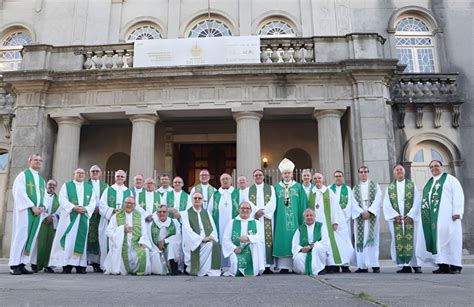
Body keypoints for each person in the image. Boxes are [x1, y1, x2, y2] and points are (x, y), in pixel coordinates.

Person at [416, 160, 465, 274]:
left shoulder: (451, 180)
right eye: (431, 167)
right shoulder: (429, 183)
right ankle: (443, 265)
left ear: (442, 167)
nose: (434, 168)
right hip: (434, 220)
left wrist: (457, 211)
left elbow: (458, 195)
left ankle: (455, 265)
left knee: (452, 240)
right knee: (438, 242)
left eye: (436, 166)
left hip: (449, 217)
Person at [49, 168, 97, 274]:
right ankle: (67, 265)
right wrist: (73, 207)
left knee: (81, 240)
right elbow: (62, 199)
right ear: (74, 174)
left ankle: (80, 265)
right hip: (69, 218)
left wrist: (85, 209)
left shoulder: (89, 187)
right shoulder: (67, 186)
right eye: (78, 173)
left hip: (83, 217)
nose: (80, 175)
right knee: (68, 240)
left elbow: (93, 201)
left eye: (82, 173)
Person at [9, 154, 46, 275]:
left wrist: (43, 207)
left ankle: (22, 263)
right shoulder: (23, 175)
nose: (38, 162)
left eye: (40, 160)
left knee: (31, 237)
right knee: (21, 236)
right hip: (25, 211)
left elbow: (44, 196)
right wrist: (32, 206)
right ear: (29, 161)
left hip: (37, 213)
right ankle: (14, 265)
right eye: (35, 160)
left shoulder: (41, 180)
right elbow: (19, 192)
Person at [309, 173, 354, 273]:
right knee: (320, 243)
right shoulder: (312, 193)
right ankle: (324, 265)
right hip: (317, 224)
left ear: (323, 179)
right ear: (313, 180)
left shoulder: (328, 192)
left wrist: (335, 221)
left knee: (331, 244)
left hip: (328, 223)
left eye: (319, 178)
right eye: (315, 178)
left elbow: (335, 207)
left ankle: (332, 264)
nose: (317, 180)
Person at [383, 164, 422, 273]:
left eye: (401, 169)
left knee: (413, 241)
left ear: (404, 172)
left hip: (410, 219)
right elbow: (386, 204)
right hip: (397, 220)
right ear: (394, 173)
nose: (399, 171)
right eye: (397, 170)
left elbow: (417, 201)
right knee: (398, 241)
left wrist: (411, 215)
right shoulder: (390, 188)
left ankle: (416, 265)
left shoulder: (411, 185)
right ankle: (405, 265)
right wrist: (395, 216)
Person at [273, 158, 307, 273]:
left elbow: (303, 204)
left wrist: (303, 220)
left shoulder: (298, 187)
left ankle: (294, 265)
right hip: (280, 221)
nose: (286, 175)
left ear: (292, 174)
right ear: (281, 174)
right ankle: (283, 266)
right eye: (284, 173)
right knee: (282, 239)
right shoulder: (276, 188)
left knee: (295, 239)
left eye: (288, 173)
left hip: (295, 220)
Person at [103, 196, 151, 275]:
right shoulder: (116, 216)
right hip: (121, 245)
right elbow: (108, 232)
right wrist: (122, 229)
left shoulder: (139, 216)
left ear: (135, 205)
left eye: (131, 203)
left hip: (135, 244)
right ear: (124, 204)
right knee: (120, 255)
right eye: (127, 203)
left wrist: (142, 241)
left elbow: (144, 232)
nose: (128, 205)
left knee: (144, 251)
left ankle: (138, 270)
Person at [181, 191, 221, 276]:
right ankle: (199, 270)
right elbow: (187, 231)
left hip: (206, 240)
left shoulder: (206, 213)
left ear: (203, 201)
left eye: (199, 198)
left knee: (213, 244)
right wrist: (202, 239)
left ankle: (208, 270)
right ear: (191, 200)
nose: (197, 200)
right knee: (209, 245)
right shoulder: (185, 214)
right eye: (195, 198)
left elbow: (213, 227)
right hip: (194, 243)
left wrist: (212, 236)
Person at [352, 166, 383, 273]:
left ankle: (375, 265)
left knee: (372, 241)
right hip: (360, 217)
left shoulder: (375, 186)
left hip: (371, 217)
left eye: (365, 172)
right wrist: (361, 212)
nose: (363, 174)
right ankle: (362, 266)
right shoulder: (355, 188)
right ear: (359, 174)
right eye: (361, 172)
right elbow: (353, 203)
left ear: (368, 173)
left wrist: (370, 211)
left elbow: (378, 199)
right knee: (360, 241)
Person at [98, 170, 132, 267]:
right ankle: (106, 265)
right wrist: (112, 210)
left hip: (123, 222)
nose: (120, 178)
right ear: (115, 177)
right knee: (107, 243)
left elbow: (133, 205)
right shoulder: (108, 190)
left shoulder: (128, 191)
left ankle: (120, 265)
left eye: (122, 176)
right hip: (109, 221)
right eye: (118, 176)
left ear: (125, 178)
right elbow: (102, 205)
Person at [222, 202, 264, 277]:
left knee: (257, 245)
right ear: (239, 210)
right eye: (242, 208)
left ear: (251, 211)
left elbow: (261, 237)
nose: (245, 210)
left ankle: (254, 269)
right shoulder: (232, 223)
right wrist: (234, 248)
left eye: (247, 208)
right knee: (235, 266)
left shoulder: (257, 223)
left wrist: (248, 238)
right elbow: (226, 239)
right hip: (237, 250)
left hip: (251, 251)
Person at [209, 173, 241, 268]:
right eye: (223, 179)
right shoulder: (215, 194)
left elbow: (244, 208)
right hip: (218, 224)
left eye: (227, 178)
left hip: (233, 224)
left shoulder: (237, 193)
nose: (225, 180)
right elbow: (209, 211)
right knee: (220, 241)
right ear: (220, 181)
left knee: (232, 240)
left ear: (231, 181)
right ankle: (220, 265)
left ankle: (233, 265)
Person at [248, 169, 276, 274]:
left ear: (263, 176)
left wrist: (263, 211)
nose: (258, 177)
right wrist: (256, 212)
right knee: (257, 240)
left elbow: (273, 202)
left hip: (267, 218)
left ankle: (267, 266)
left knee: (267, 240)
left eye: (260, 175)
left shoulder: (271, 188)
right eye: (256, 175)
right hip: (255, 218)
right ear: (253, 177)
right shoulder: (248, 190)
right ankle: (257, 264)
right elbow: (248, 202)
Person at [329, 170, 354, 272]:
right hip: (333, 223)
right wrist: (335, 219)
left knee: (345, 243)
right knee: (334, 243)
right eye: (336, 176)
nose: (338, 178)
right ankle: (335, 265)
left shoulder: (348, 190)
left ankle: (345, 265)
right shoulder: (329, 190)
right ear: (333, 178)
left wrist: (342, 218)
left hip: (345, 222)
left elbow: (350, 205)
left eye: (339, 176)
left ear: (342, 177)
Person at [146, 205, 182, 275]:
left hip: (169, 245)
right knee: (155, 257)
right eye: (159, 212)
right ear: (156, 214)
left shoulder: (174, 222)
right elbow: (149, 238)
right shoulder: (151, 224)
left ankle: (173, 268)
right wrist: (156, 247)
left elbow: (178, 237)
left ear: (168, 213)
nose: (162, 213)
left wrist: (165, 241)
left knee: (171, 245)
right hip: (155, 248)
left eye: (164, 212)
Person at [292, 208, 328, 276]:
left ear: (314, 216)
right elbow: (295, 244)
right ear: (304, 217)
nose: (309, 217)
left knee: (318, 247)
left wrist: (311, 246)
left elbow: (325, 241)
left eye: (311, 215)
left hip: (317, 250)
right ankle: (305, 270)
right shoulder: (300, 228)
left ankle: (319, 269)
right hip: (305, 251)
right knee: (298, 259)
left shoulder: (320, 226)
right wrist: (301, 249)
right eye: (307, 216)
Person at [34, 179, 60, 273]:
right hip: (41, 222)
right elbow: (39, 206)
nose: (51, 186)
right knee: (38, 244)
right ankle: (35, 264)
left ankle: (48, 265)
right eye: (50, 184)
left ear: (56, 187)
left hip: (52, 223)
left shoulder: (58, 199)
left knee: (51, 244)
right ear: (46, 185)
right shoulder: (41, 196)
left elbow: (60, 210)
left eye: (54, 185)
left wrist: (52, 216)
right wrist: (45, 216)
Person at [87, 165, 108, 272]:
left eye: (97, 171)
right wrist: (91, 208)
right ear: (89, 173)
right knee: (87, 237)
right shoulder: (85, 185)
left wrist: (100, 209)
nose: (95, 172)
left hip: (100, 216)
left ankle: (97, 262)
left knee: (99, 238)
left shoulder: (105, 186)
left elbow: (107, 200)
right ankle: (85, 261)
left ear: (100, 173)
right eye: (92, 171)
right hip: (88, 216)